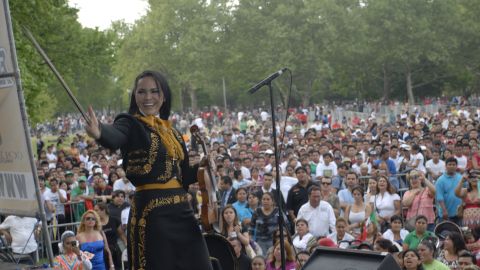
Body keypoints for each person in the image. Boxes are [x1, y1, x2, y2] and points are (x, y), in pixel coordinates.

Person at [85, 70, 212, 269]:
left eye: (154, 91)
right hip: (153, 216)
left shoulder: (174, 132)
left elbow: (184, 176)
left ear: (163, 96)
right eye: (141, 92)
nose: (148, 97)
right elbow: (116, 135)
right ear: (135, 96)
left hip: (183, 212)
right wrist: (99, 132)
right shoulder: (130, 123)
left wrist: (202, 166)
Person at [94, 203, 127, 270]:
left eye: (96, 210)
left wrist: (126, 243)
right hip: (102, 251)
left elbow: (121, 234)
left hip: (115, 249)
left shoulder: (114, 220)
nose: (95, 212)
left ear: (103, 210)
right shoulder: (95, 224)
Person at [436, 157, 463, 225]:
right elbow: (439, 197)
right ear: (446, 166)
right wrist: (444, 210)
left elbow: (465, 192)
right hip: (446, 214)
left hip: (459, 213)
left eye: (454, 165)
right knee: (446, 234)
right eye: (450, 164)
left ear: (456, 166)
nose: (452, 166)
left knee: (459, 234)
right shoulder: (440, 180)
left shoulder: (461, 178)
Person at [455, 169, 480, 234]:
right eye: (472, 178)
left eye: (477, 178)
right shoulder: (466, 191)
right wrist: (462, 180)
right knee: (468, 238)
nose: (475, 179)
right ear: (469, 179)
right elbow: (456, 193)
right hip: (467, 220)